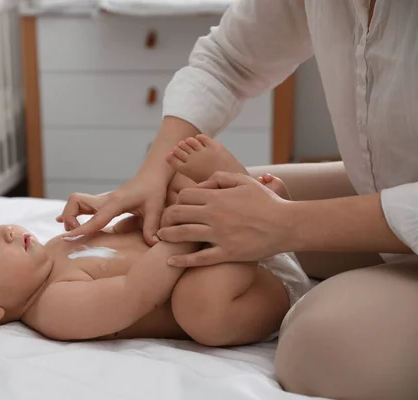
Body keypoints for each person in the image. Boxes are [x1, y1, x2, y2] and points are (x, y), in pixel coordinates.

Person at [57, 1, 418, 399]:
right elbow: (228, 60)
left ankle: (265, 248)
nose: (7, 233)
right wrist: (152, 174)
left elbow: (134, 294)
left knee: (320, 350)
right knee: (197, 189)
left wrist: (284, 224)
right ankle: (265, 242)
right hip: (387, 190)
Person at [0, 136, 310, 346]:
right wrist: (187, 229)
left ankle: (259, 203)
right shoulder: (53, 309)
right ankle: (247, 211)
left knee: (173, 173)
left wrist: (129, 212)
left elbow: (126, 238)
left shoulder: (52, 251)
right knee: (198, 310)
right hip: (241, 292)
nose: (8, 231)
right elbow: (135, 290)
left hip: (222, 250)